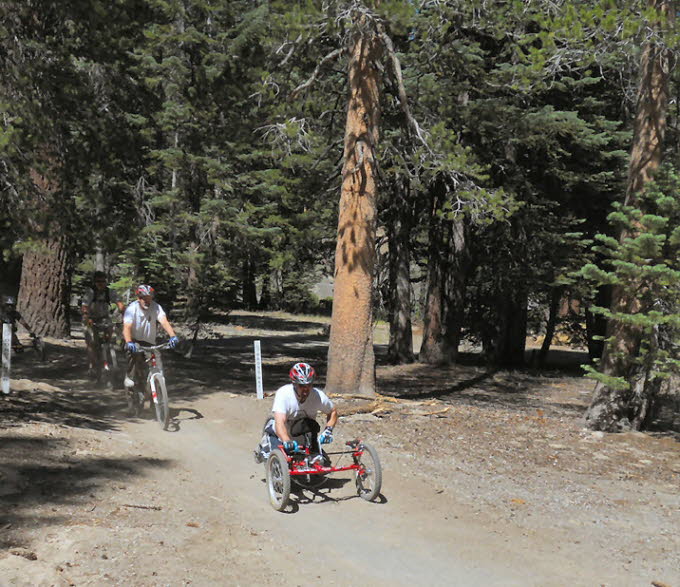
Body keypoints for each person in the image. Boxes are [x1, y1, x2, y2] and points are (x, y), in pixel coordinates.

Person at [254, 362, 338, 464]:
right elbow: (280, 423)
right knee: (276, 459)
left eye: (309, 385)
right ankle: (265, 447)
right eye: (302, 386)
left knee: (323, 464)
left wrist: (328, 431)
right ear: (294, 384)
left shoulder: (318, 396)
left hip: (304, 432)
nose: (306, 389)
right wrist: (286, 440)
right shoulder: (284, 394)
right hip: (283, 431)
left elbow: (333, 411)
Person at [122, 284, 179, 392]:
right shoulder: (132, 308)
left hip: (150, 342)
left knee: (158, 368)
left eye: (149, 298)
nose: (147, 301)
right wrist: (129, 341)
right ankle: (129, 376)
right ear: (138, 298)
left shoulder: (156, 307)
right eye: (144, 298)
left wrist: (173, 336)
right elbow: (127, 327)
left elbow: (164, 321)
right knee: (133, 355)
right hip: (135, 340)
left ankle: (158, 400)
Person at [81, 271, 125, 378]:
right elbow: (85, 306)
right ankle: (92, 367)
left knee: (109, 339)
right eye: (98, 281)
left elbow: (120, 304)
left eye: (103, 281)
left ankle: (111, 361)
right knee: (91, 342)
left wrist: (124, 313)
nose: (100, 283)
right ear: (94, 282)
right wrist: (87, 317)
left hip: (105, 318)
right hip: (91, 319)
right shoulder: (90, 292)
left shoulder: (109, 292)